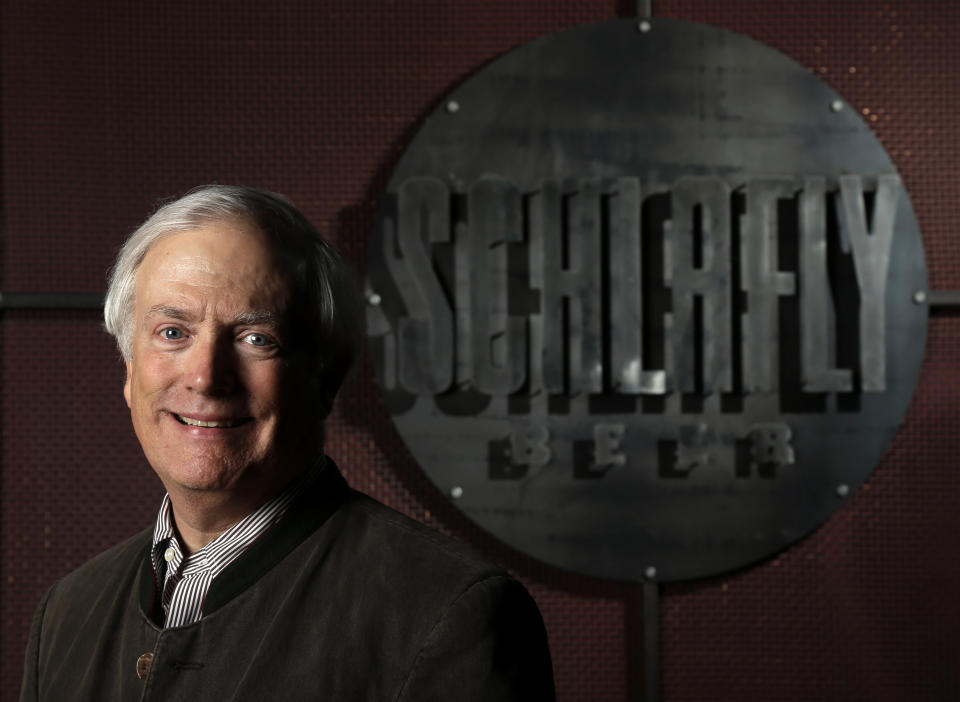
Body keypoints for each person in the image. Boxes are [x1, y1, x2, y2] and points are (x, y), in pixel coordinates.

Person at [20, 185, 555, 701]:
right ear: (129, 369)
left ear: (326, 377)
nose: (206, 377)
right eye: (173, 333)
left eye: (258, 339)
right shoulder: (66, 616)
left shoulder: (450, 613)